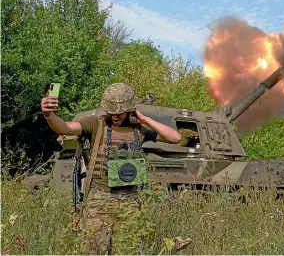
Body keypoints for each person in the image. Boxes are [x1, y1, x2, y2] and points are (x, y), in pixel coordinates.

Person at [41, 82, 182, 254]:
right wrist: (49, 115)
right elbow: (65, 127)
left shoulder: (140, 130)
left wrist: (145, 119)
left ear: (130, 109)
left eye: (119, 112)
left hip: (130, 203)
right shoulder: (95, 124)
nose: (114, 116)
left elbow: (175, 138)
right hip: (98, 202)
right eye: (111, 111)